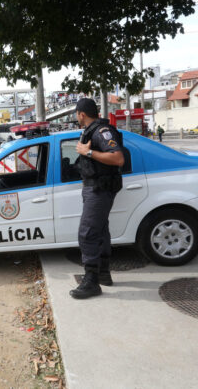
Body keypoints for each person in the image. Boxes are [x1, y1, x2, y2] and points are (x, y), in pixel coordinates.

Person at [70, 98, 125, 299]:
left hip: (100, 190)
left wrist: (89, 152)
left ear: (81, 114)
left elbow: (118, 158)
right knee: (100, 230)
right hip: (95, 188)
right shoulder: (91, 130)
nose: (76, 117)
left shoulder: (102, 132)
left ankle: (91, 281)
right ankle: (103, 274)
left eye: (77, 114)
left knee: (87, 233)